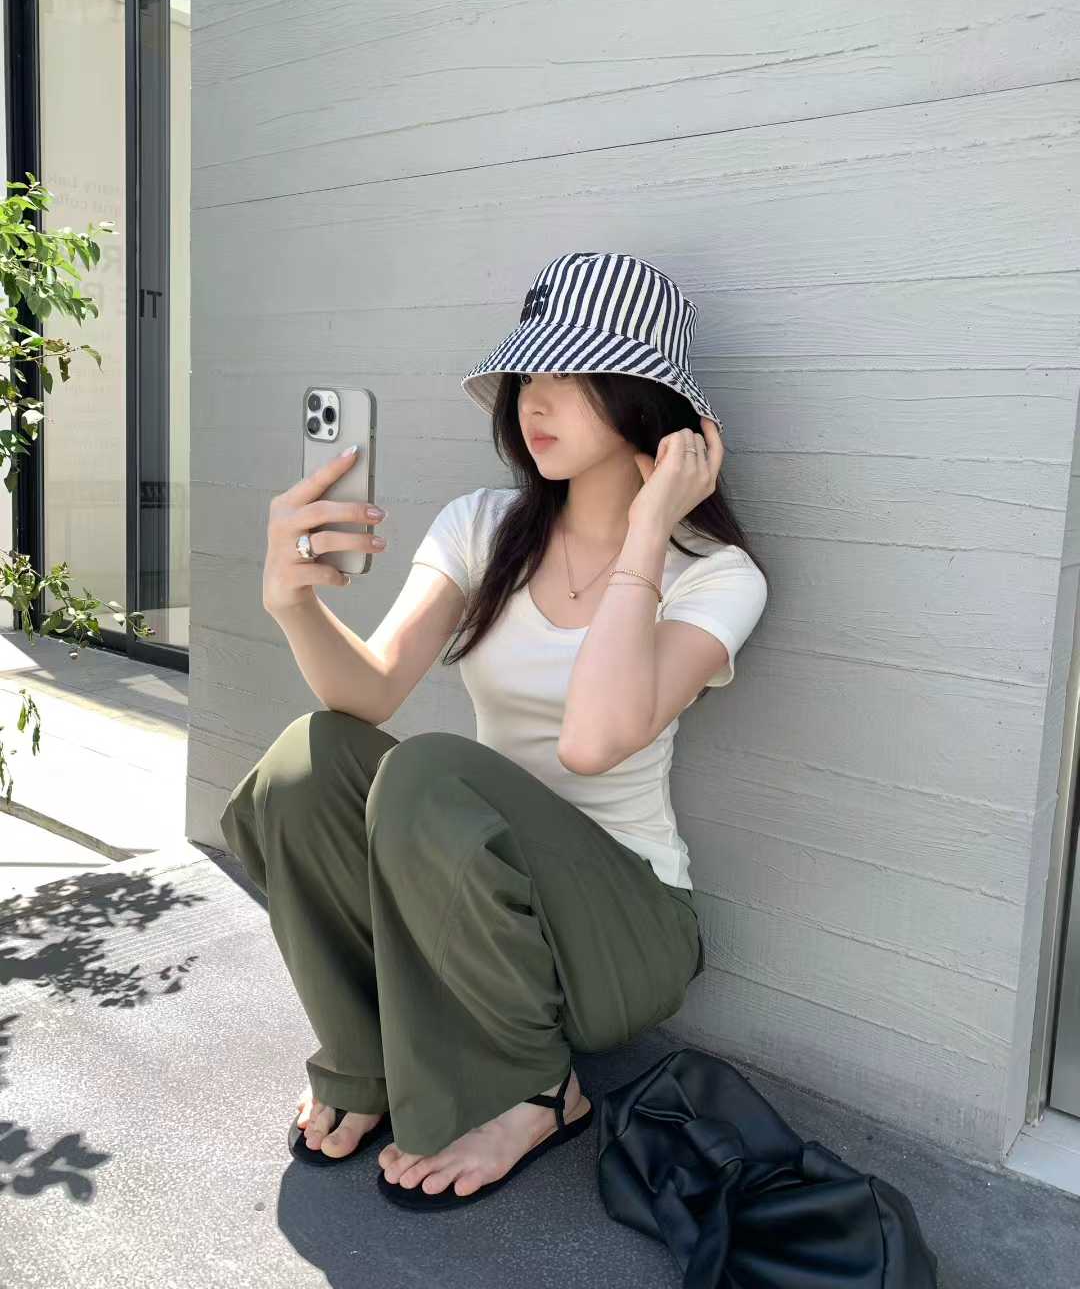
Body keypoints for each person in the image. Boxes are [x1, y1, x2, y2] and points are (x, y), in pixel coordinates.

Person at [219, 250, 769, 1212]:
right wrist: (292, 604)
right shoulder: (483, 526)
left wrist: (647, 532)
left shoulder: (716, 575)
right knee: (307, 758)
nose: (533, 400)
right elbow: (369, 694)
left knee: (432, 773)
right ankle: (363, 1058)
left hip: (622, 931)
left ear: (643, 399)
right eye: (526, 373)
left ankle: (536, 1089)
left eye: (570, 374)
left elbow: (594, 742)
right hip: (469, 896)